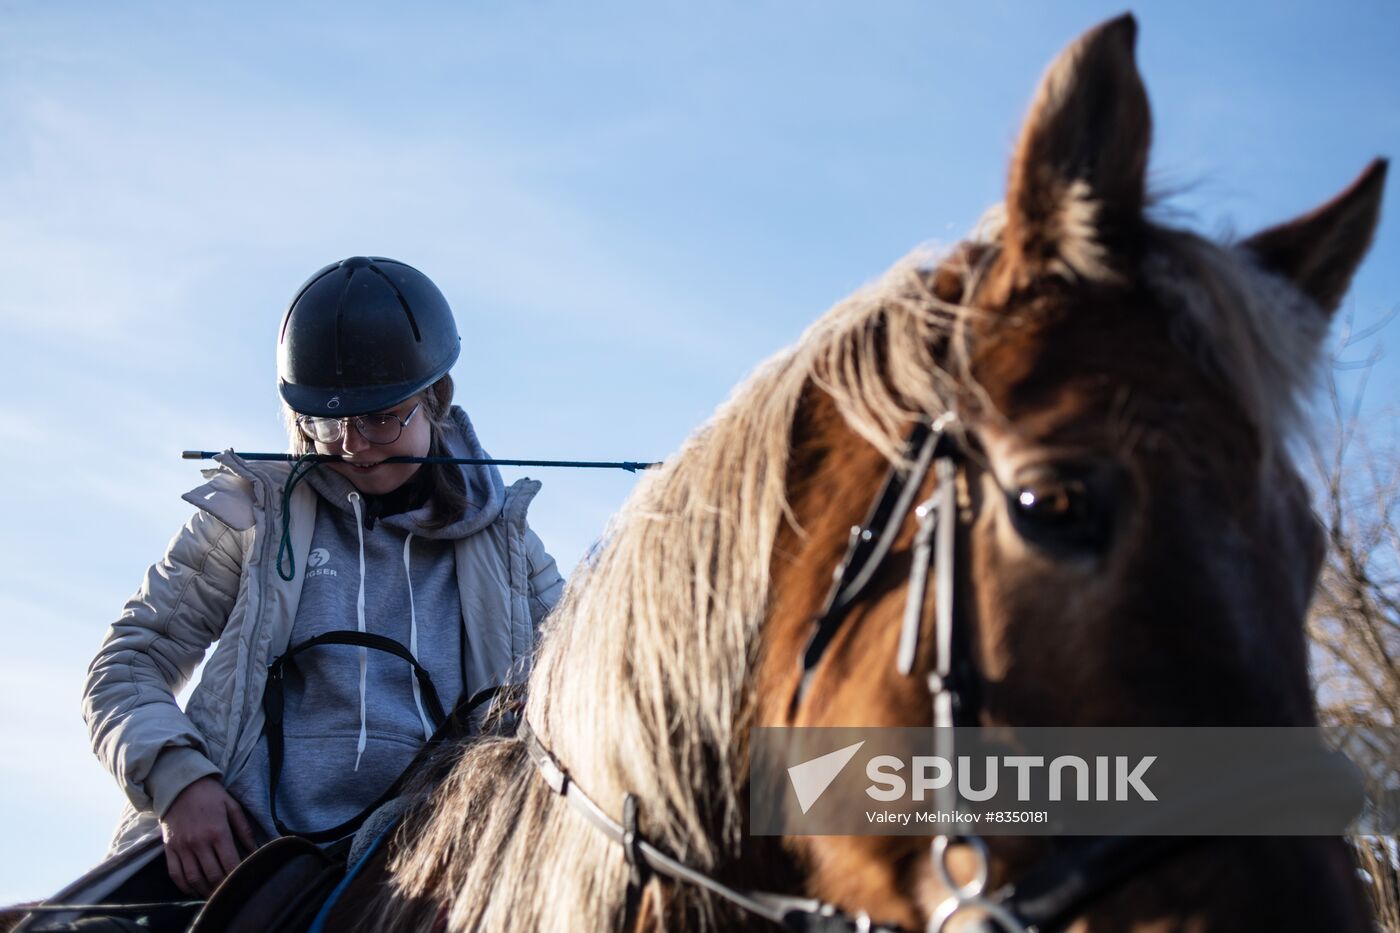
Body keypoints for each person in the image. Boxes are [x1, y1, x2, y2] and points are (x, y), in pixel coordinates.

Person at [79, 256, 565, 900]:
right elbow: (126, 664)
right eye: (325, 422)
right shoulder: (247, 514)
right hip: (235, 863)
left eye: (379, 417)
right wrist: (179, 780)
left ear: (436, 401)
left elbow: (599, 698)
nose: (352, 446)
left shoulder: (511, 551)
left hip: (443, 871)